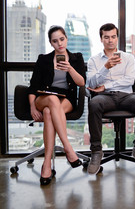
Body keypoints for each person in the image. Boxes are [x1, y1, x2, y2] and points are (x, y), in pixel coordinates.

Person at [87, 23, 135, 174]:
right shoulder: (94, 61)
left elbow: (129, 80)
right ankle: (96, 152)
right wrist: (105, 67)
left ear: (117, 38)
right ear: (101, 39)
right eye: (106, 37)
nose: (110, 40)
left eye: (113, 37)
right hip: (104, 98)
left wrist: (106, 85)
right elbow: (91, 83)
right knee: (94, 104)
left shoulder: (128, 58)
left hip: (126, 96)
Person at [28, 25, 86, 185]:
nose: (59, 44)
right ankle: (68, 148)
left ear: (66, 38)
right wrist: (32, 106)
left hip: (66, 99)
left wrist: (70, 68)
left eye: (62, 39)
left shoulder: (76, 58)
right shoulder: (44, 59)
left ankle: (46, 164)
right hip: (44, 97)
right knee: (50, 102)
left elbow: (81, 83)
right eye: (55, 41)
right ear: (51, 43)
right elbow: (33, 86)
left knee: (48, 112)